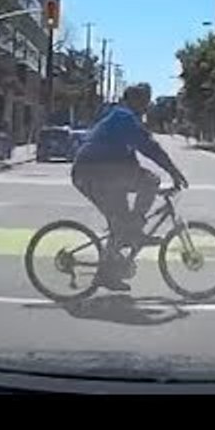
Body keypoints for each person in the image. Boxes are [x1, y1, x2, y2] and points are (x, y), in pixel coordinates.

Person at [71, 82, 189, 291]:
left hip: (99, 173)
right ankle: (134, 230)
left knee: (120, 224)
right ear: (133, 100)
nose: (146, 106)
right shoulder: (123, 117)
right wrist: (173, 171)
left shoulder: (122, 117)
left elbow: (130, 162)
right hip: (93, 173)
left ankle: (106, 274)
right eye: (144, 101)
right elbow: (149, 147)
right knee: (150, 181)